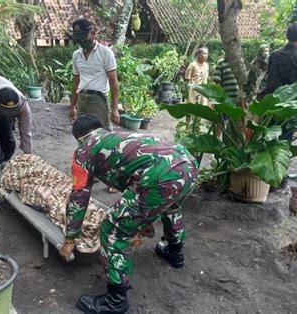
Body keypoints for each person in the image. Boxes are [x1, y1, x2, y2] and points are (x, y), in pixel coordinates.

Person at [59, 114, 197, 313]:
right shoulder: (119, 137)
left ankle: (115, 301)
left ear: (79, 138)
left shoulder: (84, 149)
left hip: (158, 177)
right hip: (188, 165)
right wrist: (141, 221)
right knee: (171, 206)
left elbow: (79, 196)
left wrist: (70, 238)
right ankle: (174, 252)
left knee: (113, 229)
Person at [69, 18, 120, 130]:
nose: (81, 42)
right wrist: (72, 106)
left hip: (99, 101)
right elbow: (76, 82)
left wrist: (114, 108)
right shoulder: (76, 55)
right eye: (79, 39)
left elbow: (113, 82)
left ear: (92, 33)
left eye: (83, 38)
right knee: (83, 134)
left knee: (103, 135)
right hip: (82, 100)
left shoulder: (106, 53)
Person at [258, 23, 297, 99]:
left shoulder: (274, 54)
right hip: (290, 98)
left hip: (273, 96)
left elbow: (268, 75)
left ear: (287, 36)